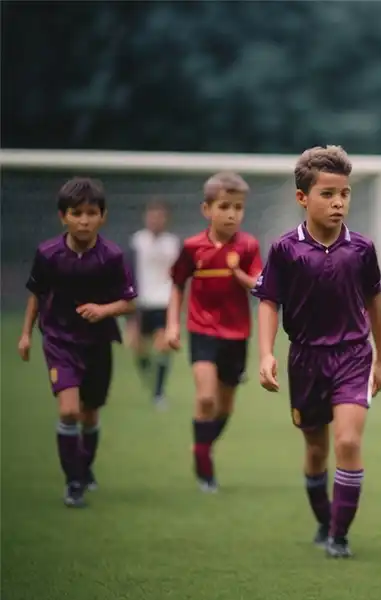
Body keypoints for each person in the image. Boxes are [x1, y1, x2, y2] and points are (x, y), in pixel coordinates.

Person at [255, 145, 381, 558]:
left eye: (344, 194)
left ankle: (339, 535)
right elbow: (268, 302)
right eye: (328, 194)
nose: (338, 203)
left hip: (352, 356)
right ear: (302, 198)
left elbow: (375, 305)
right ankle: (323, 521)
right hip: (305, 359)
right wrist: (265, 353)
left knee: (348, 442)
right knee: (316, 449)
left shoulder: (362, 250)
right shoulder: (284, 250)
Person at [18, 177, 137, 507]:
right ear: (63, 217)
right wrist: (27, 334)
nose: (84, 220)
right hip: (59, 341)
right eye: (76, 213)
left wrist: (103, 310)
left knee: (90, 415)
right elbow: (37, 295)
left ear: (103, 216)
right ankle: (73, 484)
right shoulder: (48, 254)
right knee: (69, 411)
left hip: (98, 343)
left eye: (91, 213)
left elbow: (129, 302)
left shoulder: (111, 256)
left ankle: (84, 467)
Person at [165, 172, 262, 491]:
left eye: (238, 207)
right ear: (207, 209)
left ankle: (202, 443)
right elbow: (178, 285)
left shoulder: (248, 246)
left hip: (237, 335)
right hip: (202, 330)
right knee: (205, 397)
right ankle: (204, 464)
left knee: (225, 406)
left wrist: (238, 273)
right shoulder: (192, 247)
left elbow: (259, 286)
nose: (232, 213)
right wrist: (172, 325)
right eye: (224, 206)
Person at [128, 199, 180, 407]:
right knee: (138, 347)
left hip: (164, 302)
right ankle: (148, 370)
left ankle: (158, 393)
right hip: (141, 302)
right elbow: (128, 272)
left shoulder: (172, 244)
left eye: (160, 216)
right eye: (152, 216)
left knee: (163, 345)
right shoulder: (137, 242)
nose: (156, 220)